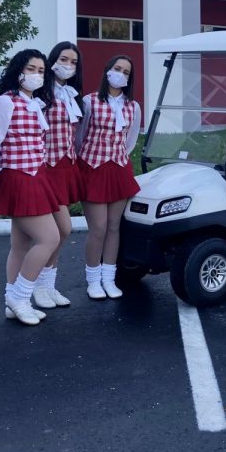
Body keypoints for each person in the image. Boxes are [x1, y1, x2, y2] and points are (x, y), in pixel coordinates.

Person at [0, 50, 61, 326]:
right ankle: (20, 297)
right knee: (49, 239)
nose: (37, 75)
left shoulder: (35, 103)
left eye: (41, 70)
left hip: (35, 176)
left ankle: (12, 301)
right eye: (31, 68)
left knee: (20, 245)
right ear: (18, 70)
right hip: (17, 177)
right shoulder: (4, 103)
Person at [77, 55, 142, 300]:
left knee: (115, 227)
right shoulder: (89, 101)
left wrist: (118, 157)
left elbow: (131, 139)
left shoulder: (132, 106)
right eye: (117, 68)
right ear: (107, 71)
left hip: (118, 169)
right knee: (99, 228)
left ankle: (109, 278)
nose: (121, 74)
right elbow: (80, 136)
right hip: (92, 167)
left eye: (126, 71)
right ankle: (93, 279)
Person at [33, 41, 85, 309]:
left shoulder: (71, 94)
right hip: (46, 166)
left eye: (73, 62)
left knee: (61, 231)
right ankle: (36, 286)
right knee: (61, 229)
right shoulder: (42, 94)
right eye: (64, 59)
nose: (68, 66)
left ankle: (47, 285)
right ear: (53, 60)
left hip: (66, 165)